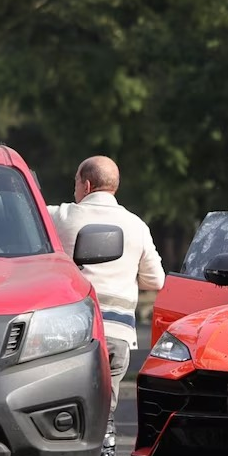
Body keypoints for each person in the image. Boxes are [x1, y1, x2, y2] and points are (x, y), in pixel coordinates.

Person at [48, 156, 165, 414]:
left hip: (71, 332)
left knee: (65, 405)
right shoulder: (137, 226)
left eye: (75, 182)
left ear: (86, 185)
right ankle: (107, 443)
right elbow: (156, 280)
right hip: (117, 334)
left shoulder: (59, 216)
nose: (74, 189)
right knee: (105, 408)